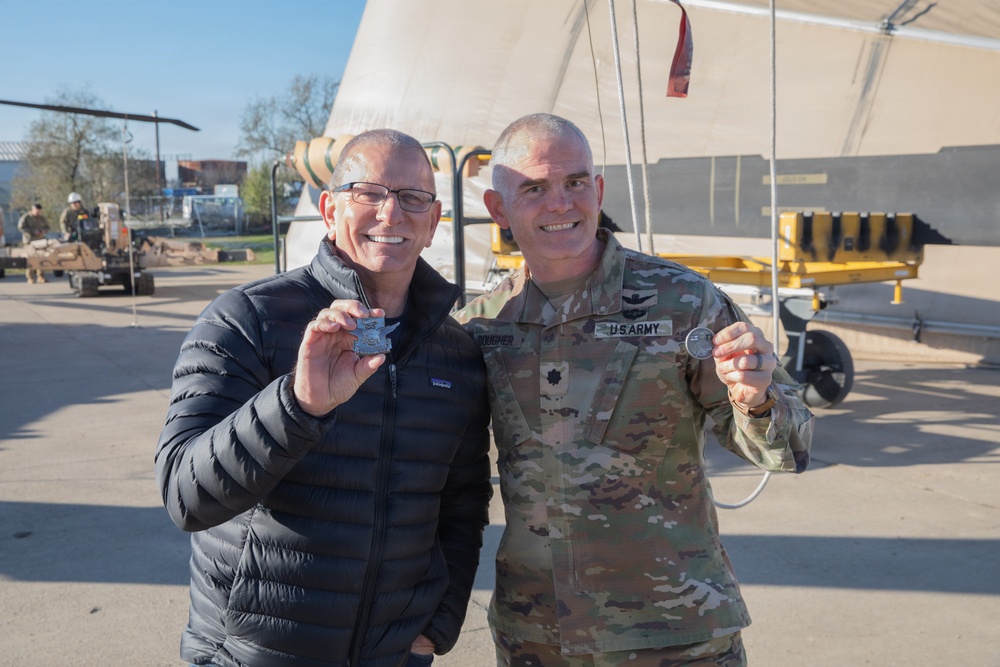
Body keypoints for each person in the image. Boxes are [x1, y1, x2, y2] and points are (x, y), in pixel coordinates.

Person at [455, 113, 814, 667]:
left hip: (675, 633)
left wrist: (758, 400)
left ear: (597, 190)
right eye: (533, 188)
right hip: (538, 639)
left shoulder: (683, 302)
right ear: (498, 209)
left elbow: (790, 444)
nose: (560, 204)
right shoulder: (481, 327)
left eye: (575, 182)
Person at [155, 129, 492, 667]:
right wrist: (296, 404)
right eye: (369, 193)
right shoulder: (247, 320)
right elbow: (184, 495)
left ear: (433, 223)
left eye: (413, 198)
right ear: (329, 210)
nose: (391, 214)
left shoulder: (454, 353)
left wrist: (438, 623)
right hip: (255, 654)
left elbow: (463, 502)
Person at [18, 203, 50, 283]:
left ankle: (41, 276)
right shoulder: (26, 217)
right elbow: (21, 227)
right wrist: (32, 232)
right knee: (31, 259)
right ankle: (30, 277)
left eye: (39, 211)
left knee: (41, 258)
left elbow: (47, 227)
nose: (37, 213)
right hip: (30, 241)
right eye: (36, 211)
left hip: (40, 241)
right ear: (32, 210)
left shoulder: (42, 218)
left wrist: (43, 231)